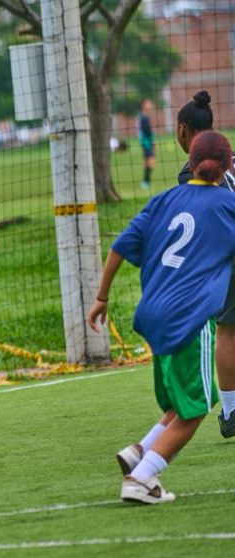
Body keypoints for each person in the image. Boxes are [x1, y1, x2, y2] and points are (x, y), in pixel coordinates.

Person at [88, 131, 235, 504]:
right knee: (196, 408)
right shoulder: (227, 204)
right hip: (189, 315)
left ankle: (139, 451)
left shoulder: (164, 199)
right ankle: (141, 478)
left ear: (190, 163)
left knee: (183, 398)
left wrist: (102, 298)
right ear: (228, 166)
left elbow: (119, 247)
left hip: (153, 313)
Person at [172, 91, 235, 439]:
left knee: (227, 329)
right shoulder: (231, 157)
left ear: (182, 129)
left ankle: (231, 410)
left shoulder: (191, 171)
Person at [137, 99, 155, 189]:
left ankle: (145, 182)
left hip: (145, 142)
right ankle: (145, 182)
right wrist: (152, 142)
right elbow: (147, 132)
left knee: (148, 162)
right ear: (143, 106)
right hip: (147, 143)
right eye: (149, 104)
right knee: (150, 162)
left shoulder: (141, 116)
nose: (150, 105)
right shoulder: (144, 117)